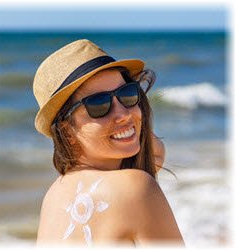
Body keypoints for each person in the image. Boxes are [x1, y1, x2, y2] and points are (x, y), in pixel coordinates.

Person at [33, 39, 184, 247]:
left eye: (128, 94)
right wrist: (131, 122)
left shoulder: (53, 196)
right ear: (66, 130)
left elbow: (155, 150)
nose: (122, 114)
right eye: (99, 104)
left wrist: (128, 123)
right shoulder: (136, 187)